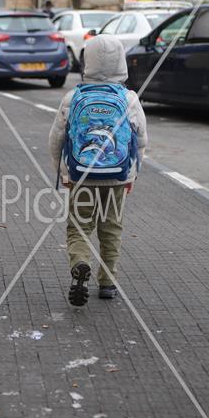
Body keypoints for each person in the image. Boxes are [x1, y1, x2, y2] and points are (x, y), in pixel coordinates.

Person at [49, 34, 147, 306]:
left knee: (79, 227)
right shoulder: (128, 98)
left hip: (82, 175)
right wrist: (133, 175)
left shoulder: (73, 97)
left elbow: (55, 138)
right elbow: (141, 140)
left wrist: (64, 174)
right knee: (111, 229)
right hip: (116, 177)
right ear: (121, 63)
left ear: (87, 62)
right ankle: (107, 284)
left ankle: (80, 263)